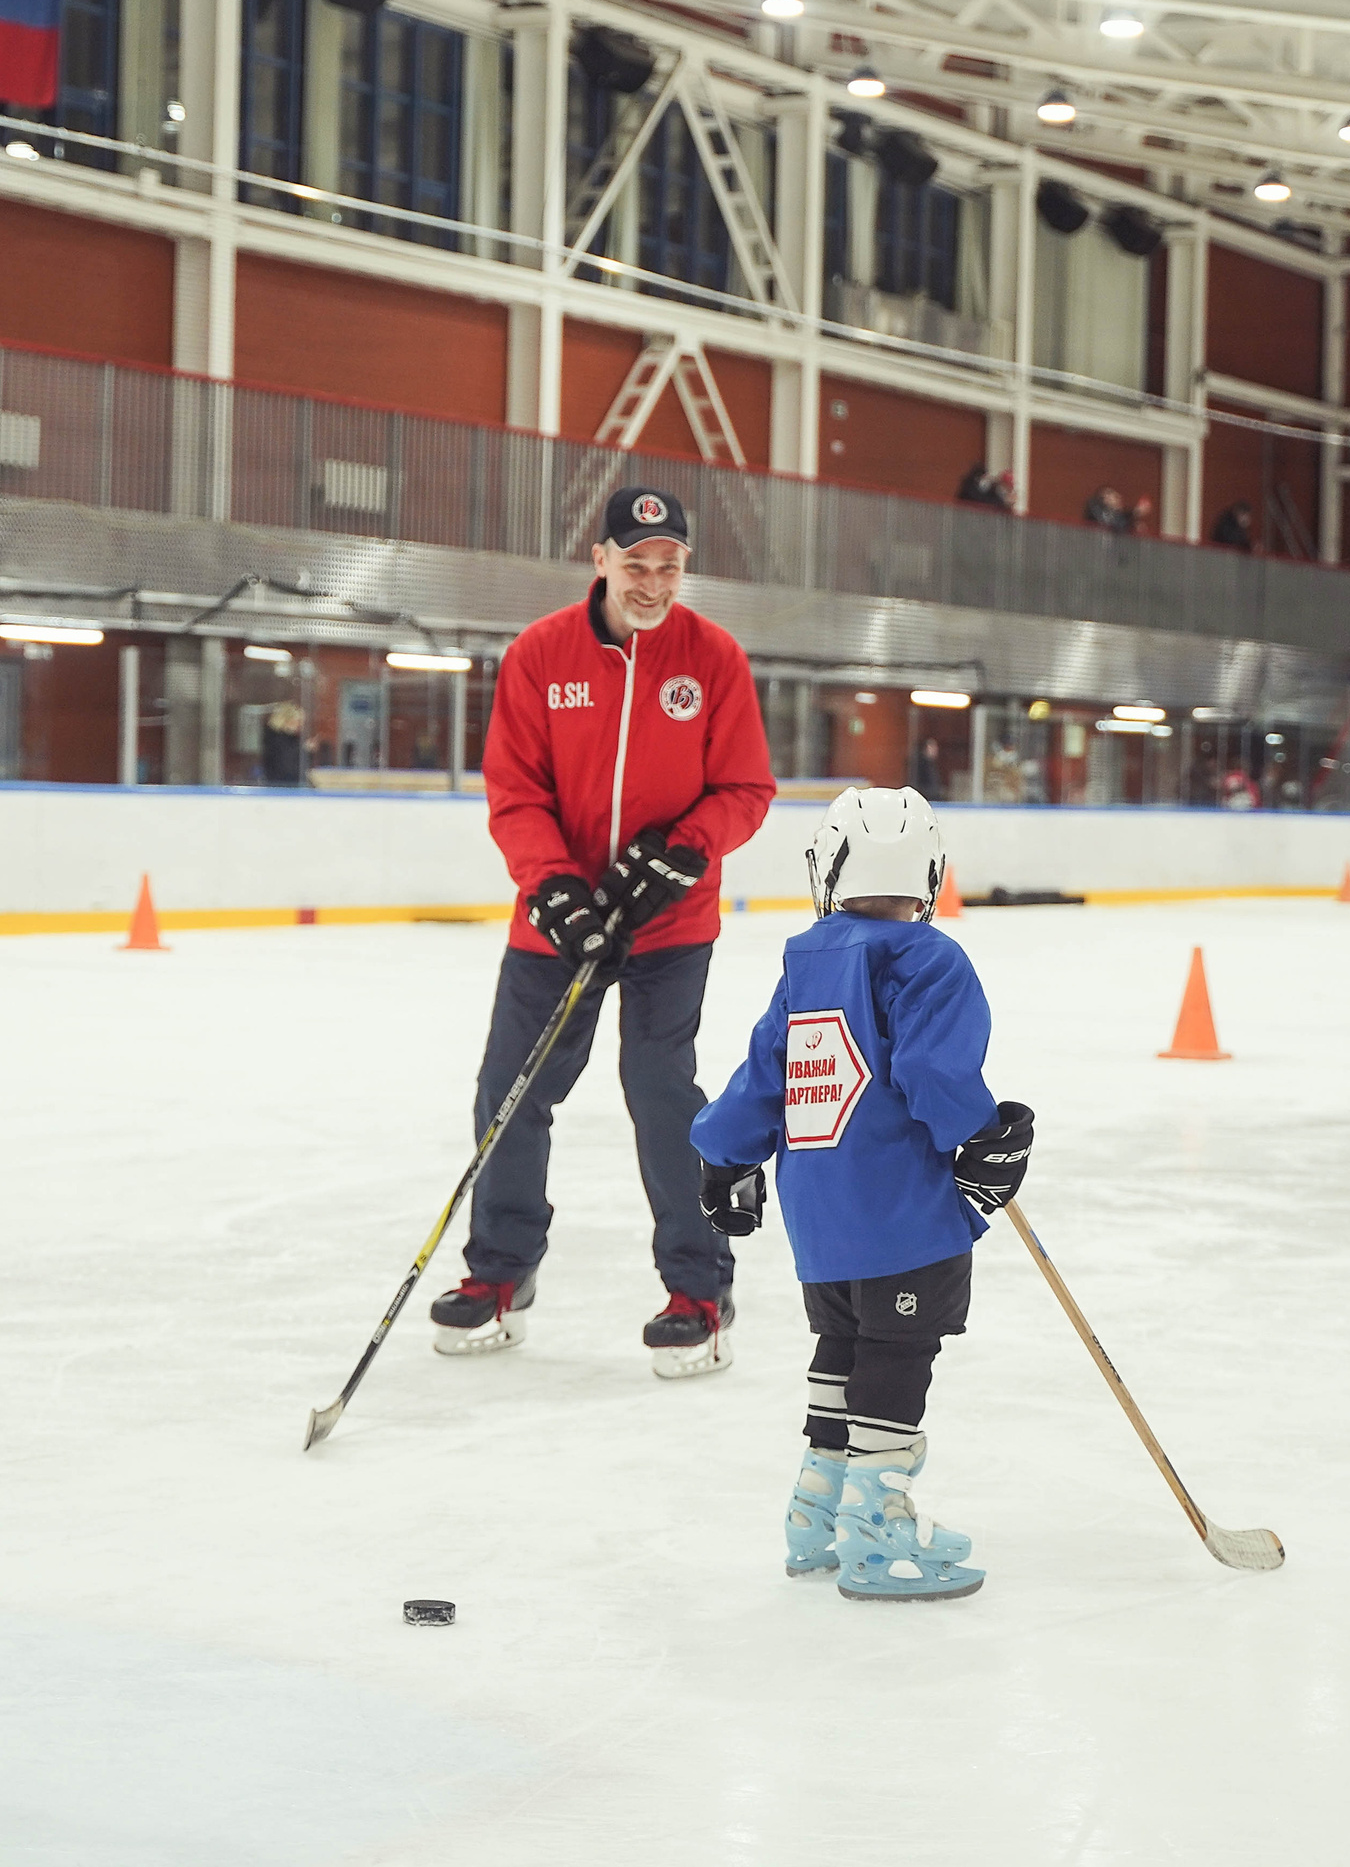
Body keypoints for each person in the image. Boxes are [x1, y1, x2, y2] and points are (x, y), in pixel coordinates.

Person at [433, 486, 778, 1378]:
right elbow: (515, 790)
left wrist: (682, 854)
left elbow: (746, 789)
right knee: (510, 1089)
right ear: (601, 559)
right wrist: (551, 885)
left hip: (669, 923)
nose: (655, 582)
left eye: (670, 566)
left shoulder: (716, 659)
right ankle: (501, 1273)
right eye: (637, 564)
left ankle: (699, 1291)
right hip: (558, 922)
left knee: (660, 1089)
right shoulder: (542, 655)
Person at [690, 786, 1031, 1602]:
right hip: (902, 1215)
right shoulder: (929, 957)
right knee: (897, 1357)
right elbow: (934, 1070)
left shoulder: (808, 956)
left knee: (842, 1349)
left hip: (820, 1220)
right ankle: (877, 1528)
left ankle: (819, 1509)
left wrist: (725, 1155)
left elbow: (765, 1070)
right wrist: (983, 1137)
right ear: (930, 870)